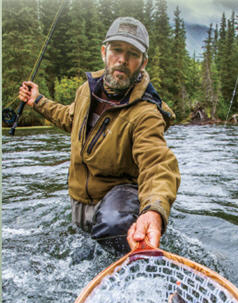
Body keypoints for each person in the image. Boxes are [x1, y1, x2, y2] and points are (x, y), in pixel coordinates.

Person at [19, 17, 180, 254]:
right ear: (104, 52)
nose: (123, 60)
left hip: (119, 206)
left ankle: (134, 245)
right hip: (81, 204)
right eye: (117, 50)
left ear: (143, 63)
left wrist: (154, 211)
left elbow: (157, 163)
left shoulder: (147, 113)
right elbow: (70, 119)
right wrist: (38, 101)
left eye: (133, 54)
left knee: (114, 225)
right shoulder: (86, 90)